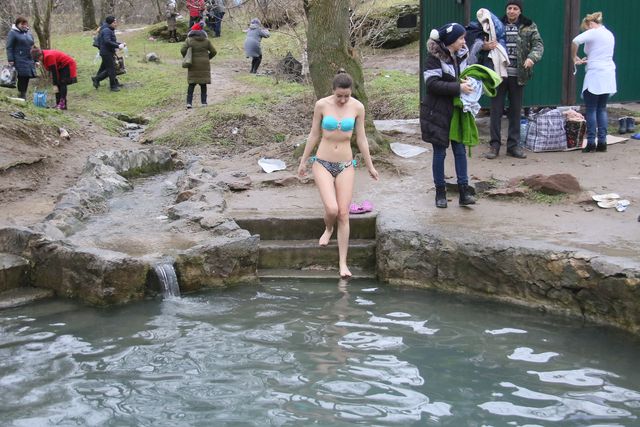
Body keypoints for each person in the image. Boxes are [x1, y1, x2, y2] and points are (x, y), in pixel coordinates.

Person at [297, 70, 379, 278]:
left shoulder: (358, 107)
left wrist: (370, 166)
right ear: (333, 90)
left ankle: (343, 263)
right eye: (339, 95)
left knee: (343, 213)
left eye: (347, 96)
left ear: (351, 92)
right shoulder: (322, 105)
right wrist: (303, 161)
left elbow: (361, 139)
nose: (343, 100)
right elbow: (314, 134)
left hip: (346, 164)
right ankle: (328, 229)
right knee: (332, 209)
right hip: (322, 163)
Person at [420, 23, 476, 209]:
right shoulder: (434, 58)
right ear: (451, 40)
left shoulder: (462, 56)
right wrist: (458, 87)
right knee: (440, 152)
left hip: (458, 111)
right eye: (461, 38)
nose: (464, 41)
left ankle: (464, 192)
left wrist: (470, 83)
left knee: (460, 151)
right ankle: (440, 192)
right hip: (437, 112)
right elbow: (432, 84)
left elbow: (466, 77)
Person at [484, 0, 543, 160]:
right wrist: (485, 46)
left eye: (515, 8)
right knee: (495, 111)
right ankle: (494, 146)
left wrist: (531, 58)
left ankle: (513, 146)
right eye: (509, 8)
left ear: (519, 11)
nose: (511, 11)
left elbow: (538, 45)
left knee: (515, 111)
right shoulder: (496, 25)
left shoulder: (529, 25)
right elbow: (479, 41)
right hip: (498, 74)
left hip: (518, 75)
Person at [572, 12, 616, 153]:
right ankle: (602, 142)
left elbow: (575, 41)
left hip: (595, 73)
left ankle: (591, 142)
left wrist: (574, 57)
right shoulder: (609, 34)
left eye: (586, 28)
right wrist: (589, 58)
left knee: (591, 109)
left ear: (590, 24)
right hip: (608, 72)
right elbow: (600, 53)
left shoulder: (594, 32)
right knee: (602, 108)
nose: (586, 31)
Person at [181, 22, 216, 109]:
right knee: (203, 83)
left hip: (193, 63)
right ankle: (204, 102)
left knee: (192, 83)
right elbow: (214, 52)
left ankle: (189, 103)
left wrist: (187, 57)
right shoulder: (206, 41)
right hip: (204, 63)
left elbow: (182, 50)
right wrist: (207, 58)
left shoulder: (189, 40)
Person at [92, 16, 125, 92]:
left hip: (108, 52)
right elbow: (107, 41)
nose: (116, 24)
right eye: (114, 22)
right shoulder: (106, 30)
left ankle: (98, 79)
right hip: (106, 53)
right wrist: (118, 46)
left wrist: (120, 44)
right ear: (110, 23)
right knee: (111, 69)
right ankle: (112, 86)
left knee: (106, 68)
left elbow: (111, 41)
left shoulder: (109, 29)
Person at [6, 16, 36, 100]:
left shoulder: (28, 33)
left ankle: (23, 94)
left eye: (25, 24)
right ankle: (21, 95)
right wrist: (10, 59)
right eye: (22, 24)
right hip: (19, 59)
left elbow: (33, 46)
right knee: (22, 76)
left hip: (29, 59)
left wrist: (36, 60)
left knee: (27, 76)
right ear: (17, 24)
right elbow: (9, 47)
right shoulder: (12, 33)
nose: (24, 25)